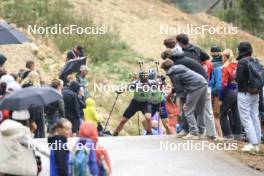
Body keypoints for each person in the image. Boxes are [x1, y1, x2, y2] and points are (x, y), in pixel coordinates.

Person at [161, 59, 208, 140]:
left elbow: (179, 89)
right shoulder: (180, 68)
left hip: (195, 88)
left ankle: (193, 133)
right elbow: (182, 83)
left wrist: (184, 101)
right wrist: (173, 91)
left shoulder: (172, 73)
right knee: (200, 110)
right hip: (203, 84)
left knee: (187, 110)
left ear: (166, 68)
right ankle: (201, 132)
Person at [236, 42, 262, 152]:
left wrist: (235, 76)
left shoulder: (242, 62)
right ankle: (257, 144)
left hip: (244, 93)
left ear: (241, 51)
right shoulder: (255, 60)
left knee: (246, 118)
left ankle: (252, 143)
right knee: (255, 117)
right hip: (255, 92)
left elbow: (239, 79)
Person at [113, 71, 153, 136]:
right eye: (143, 81)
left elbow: (159, 84)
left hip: (146, 103)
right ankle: (115, 133)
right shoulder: (135, 83)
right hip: (135, 103)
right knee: (123, 120)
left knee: (148, 117)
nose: (144, 82)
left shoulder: (151, 83)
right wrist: (120, 91)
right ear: (140, 79)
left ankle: (149, 132)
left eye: (146, 81)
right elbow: (126, 87)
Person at [220, 49, 242, 139]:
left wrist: (221, 96)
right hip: (237, 88)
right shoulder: (236, 64)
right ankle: (238, 134)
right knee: (235, 111)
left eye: (223, 57)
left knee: (223, 113)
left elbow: (224, 84)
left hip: (229, 90)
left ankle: (227, 134)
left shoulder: (225, 67)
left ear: (225, 57)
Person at [200, 52, 217, 140]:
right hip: (207, 88)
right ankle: (212, 133)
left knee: (199, 111)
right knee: (209, 111)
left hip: (199, 88)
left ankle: (202, 132)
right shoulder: (210, 64)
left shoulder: (198, 65)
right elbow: (211, 77)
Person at [209, 45, 224, 139]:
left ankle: (219, 136)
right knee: (223, 115)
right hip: (228, 91)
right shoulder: (225, 63)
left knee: (215, 115)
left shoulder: (213, 65)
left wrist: (211, 91)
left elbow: (216, 83)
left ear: (211, 53)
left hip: (216, 94)